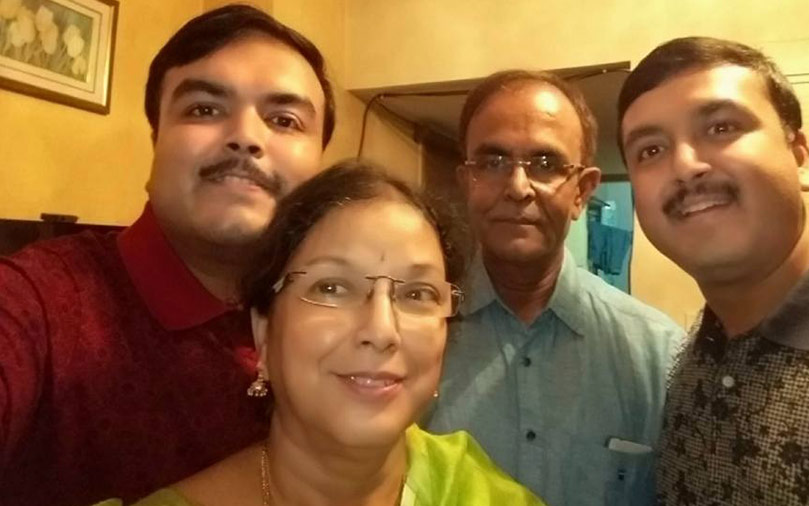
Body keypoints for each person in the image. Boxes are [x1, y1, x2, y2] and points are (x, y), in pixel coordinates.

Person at [0, 5, 335, 505]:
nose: (246, 136)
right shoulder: (39, 304)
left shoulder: (339, 314)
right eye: (203, 108)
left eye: (284, 120)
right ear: (157, 140)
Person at [97, 160, 546, 506]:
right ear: (263, 333)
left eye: (417, 293)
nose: (381, 330)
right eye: (332, 287)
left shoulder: (477, 491)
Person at [618, 36, 809, 505]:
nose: (685, 165)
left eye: (722, 127)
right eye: (650, 151)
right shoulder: (689, 365)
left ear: (801, 155)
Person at [426, 69, 686, 506]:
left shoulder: (659, 354)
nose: (517, 187)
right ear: (466, 181)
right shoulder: (411, 337)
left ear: (582, 192)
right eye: (492, 162)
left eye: (545, 164)